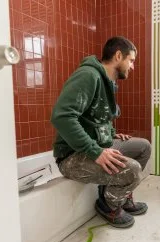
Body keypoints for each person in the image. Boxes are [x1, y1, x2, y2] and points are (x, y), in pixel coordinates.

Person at [51, 36, 151, 228]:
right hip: (72, 156)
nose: (132, 67)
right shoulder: (89, 75)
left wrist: (110, 134)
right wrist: (96, 151)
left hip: (96, 145)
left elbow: (98, 117)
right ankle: (109, 205)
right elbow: (62, 116)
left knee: (143, 147)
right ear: (118, 55)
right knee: (133, 170)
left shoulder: (107, 82)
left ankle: (120, 194)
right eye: (131, 60)